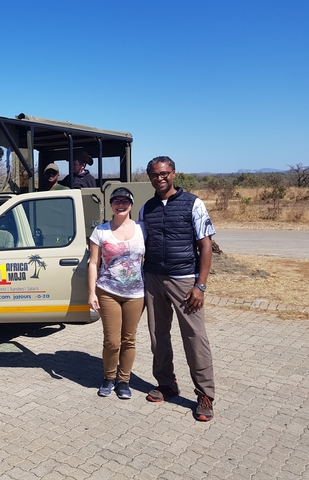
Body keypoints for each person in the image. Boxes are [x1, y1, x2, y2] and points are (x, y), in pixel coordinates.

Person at [139, 156, 216, 422]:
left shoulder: (193, 204)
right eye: (154, 174)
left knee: (195, 338)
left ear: (173, 174)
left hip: (184, 280)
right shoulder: (146, 208)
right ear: (149, 177)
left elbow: (205, 245)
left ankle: (205, 394)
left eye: (164, 173)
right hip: (154, 278)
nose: (159, 178)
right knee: (158, 335)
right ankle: (166, 383)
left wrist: (200, 285)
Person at [88, 187, 145, 400]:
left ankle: (124, 380)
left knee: (129, 340)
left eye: (125, 201)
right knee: (112, 340)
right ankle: (108, 377)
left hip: (135, 293)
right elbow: (93, 263)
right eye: (116, 201)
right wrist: (91, 292)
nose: (121, 205)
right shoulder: (100, 231)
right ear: (110, 205)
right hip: (108, 291)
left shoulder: (142, 229)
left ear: (131, 204)